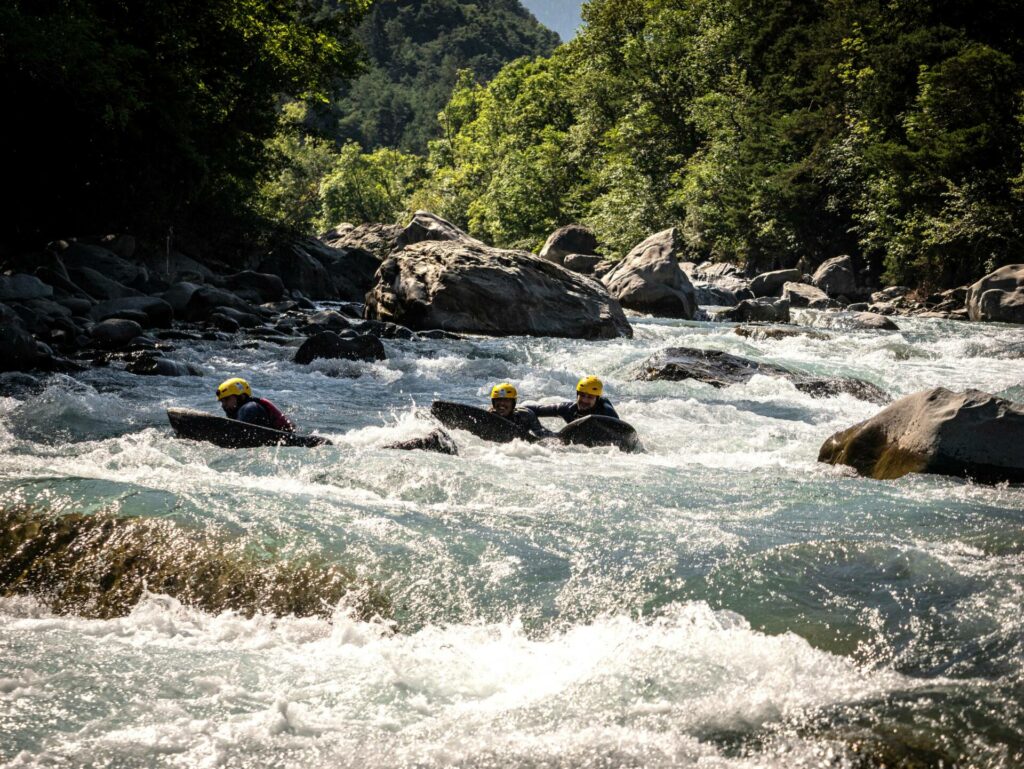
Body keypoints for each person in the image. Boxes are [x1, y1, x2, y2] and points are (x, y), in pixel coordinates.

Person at [525, 375, 619, 424]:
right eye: (582, 395)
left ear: (597, 399)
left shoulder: (606, 411)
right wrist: (514, 408)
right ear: (577, 395)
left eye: (590, 397)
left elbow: (621, 429)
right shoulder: (568, 409)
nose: (585, 400)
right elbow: (538, 409)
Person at [216, 377, 295, 432]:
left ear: (241, 397)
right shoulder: (239, 411)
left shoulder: (250, 408)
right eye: (222, 401)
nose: (223, 405)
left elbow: (236, 432)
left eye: (226, 399)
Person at [488, 382, 554, 439]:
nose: (502, 403)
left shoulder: (525, 415)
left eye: (506, 400)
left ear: (513, 403)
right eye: (498, 400)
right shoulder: (488, 418)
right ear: (493, 402)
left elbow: (542, 435)